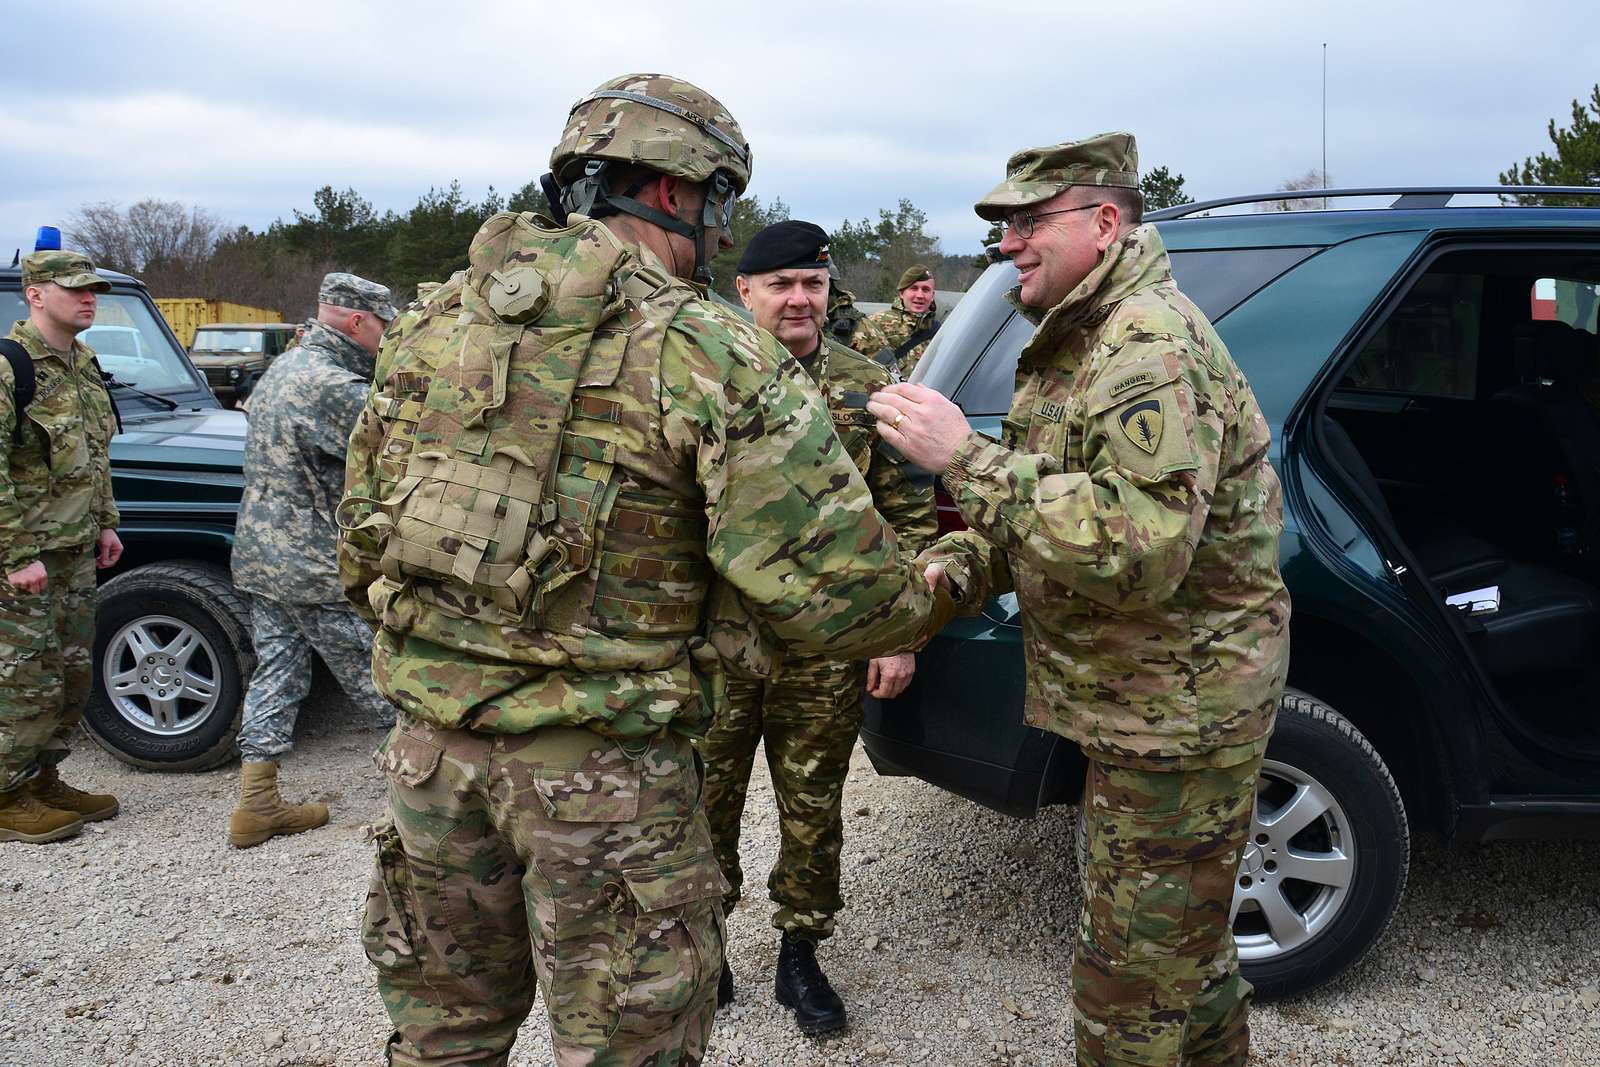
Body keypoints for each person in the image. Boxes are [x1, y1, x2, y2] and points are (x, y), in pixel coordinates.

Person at [338, 73, 948, 1067]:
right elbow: (849, 603)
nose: (722, 229)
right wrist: (957, 565)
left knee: (441, 1043)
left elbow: (359, 550)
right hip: (605, 783)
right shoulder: (709, 348)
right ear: (677, 193)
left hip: (428, 769)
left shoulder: (428, 331)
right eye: (722, 204)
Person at [867, 133, 1291, 1066]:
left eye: (1029, 222)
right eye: (1002, 227)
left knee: (1126, 996)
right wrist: (932, 582)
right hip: (1142, 711)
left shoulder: (1146, 346)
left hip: (1179, 720)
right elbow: (1030, 513)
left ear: (1106, 223)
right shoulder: (1074, 340)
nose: (1009, 242)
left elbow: (1141, 552)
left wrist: (961, 455)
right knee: (1189, 959)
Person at [702, 220, 937, 1033]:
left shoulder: (870, 385)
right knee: (703, 803)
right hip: (717, 646)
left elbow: (907, 514)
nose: (800, 298)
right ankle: (707, 947)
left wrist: (903, 632)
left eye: (813, 283)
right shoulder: (703, 376)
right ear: (745, 292)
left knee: (813, 806)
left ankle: (800, 954)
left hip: (826, 648)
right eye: (781, 284)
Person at [225, 272, 397, 849]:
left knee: (278, 670)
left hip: (262, 554)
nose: (385, 337)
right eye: (381, 325)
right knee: (384, 682)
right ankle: (426, 810)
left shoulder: (287, 366)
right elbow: (398, 451)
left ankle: (257, 803)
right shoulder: (332, 384)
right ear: (357, 321)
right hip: (315, 564)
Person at [0, 250, 123, 844]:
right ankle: (6, 794)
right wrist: (14, 555)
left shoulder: (83, 363)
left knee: (72, 677)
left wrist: (105, 521)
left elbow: (93, 454)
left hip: (73, 551)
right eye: (74, 289)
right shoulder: (9, 366)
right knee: (24, 678)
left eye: (92, 289)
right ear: (35, 294)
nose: (88, 297)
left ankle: (43, 779)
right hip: (24, 559)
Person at [858, 264, 939, 379]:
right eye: (914, 288)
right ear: (901, 293)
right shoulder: (876, 322)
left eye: (925, 290)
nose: (920, 295)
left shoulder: (940, 332)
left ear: (932, 296)